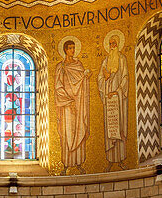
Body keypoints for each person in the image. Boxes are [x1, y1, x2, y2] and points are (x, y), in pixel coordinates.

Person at [55, 40, 90, 173]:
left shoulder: (78, 65)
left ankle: (79, 162)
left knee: (79, 128)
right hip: (66, 106)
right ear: (65, 50)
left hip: (79, 104)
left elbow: (82, 82)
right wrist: (68, 100)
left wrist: (86, 77)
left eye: (74, 48)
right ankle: (67, 164)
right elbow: (57, 86)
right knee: (67, 133)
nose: (72, 50)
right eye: (70, 48)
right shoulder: (61, 66)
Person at [97, 32, 129, 170]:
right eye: (110, 44)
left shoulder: (122, 59)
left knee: (119, 126)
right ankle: (110, 160)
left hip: (119, 99)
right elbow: (99, 79)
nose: (112, 46)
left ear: (118, 45)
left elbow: (126, 77)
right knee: (109, 129)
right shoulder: (105, 61)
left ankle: (121, 160)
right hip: (109, 100)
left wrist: (118, 91)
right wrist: (105, 79)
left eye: (114, 43)